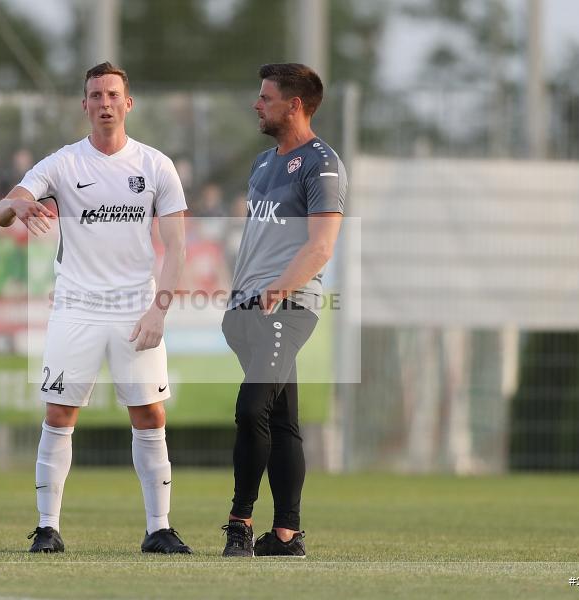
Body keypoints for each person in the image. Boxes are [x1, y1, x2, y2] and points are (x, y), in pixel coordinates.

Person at [0, 62, 191, 555]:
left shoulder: (155, 166)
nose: (105, 102)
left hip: (134, 307)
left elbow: (177, 248)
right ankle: (46, 527)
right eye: (96, 94)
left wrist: (158, 311)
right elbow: (0, 210)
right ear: (84, 104)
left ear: (128, 103)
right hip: (76, 305)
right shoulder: (62, 163)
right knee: (59, 412)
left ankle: (158, 528)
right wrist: (16, 207)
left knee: (149, 415)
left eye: (113, 94)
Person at [220, 63, 345, 558]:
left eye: (265, 97)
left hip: (288, 305)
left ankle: (239, 525)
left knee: (252, 409)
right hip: (246, 308)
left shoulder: (322, 163)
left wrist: (277, 288)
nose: (257, 103)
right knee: (282, 419)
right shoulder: (261, 163)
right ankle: (287, 536)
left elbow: (322, 246)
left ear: (294, 105)